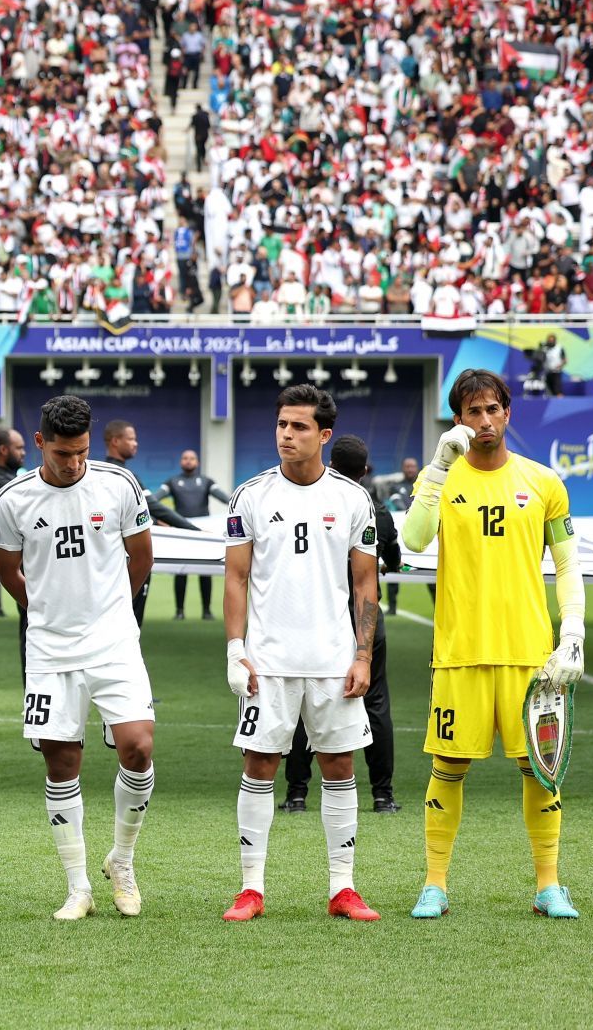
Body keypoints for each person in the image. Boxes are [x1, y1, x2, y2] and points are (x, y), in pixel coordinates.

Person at [401, 370, 584, 920]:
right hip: (460, 652)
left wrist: (571, 628)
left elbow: (568, 563)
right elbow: (412, 540)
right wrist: (435, 469)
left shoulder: (545, 481)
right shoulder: (442, 478)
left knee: (540, 769)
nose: (484, 421)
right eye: (472, 412)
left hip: (530, 655)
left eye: (492, 410)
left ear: (508, 413)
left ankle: (549, 885)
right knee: (448, 766)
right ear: (458, 418)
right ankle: (435, 884)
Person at [219, 386, 382, 923]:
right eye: (282, 425)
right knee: (259, 764)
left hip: (333, 660)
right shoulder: (251, 495)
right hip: (267, 661)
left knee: (338, 766)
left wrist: (362, 657)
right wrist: (235, 649)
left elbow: (365, 584)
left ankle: (343, 888)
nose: (287, 435)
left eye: (300, 427)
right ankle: (250, 888)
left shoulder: (353, 500)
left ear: (324, 435)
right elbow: (236, 577)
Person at [0, 395, 157, 920]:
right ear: (40, 443)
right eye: (64, 453)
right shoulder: (13, 499)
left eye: (82, 451)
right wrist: (44, 610)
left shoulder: (119, 485)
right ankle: (78, 885)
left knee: (139, 747)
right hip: (49, 647)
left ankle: (122, 862)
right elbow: (7, 567)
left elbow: (143, 554)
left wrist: (111, 611)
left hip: (113, 642)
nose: (74, 462)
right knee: (62, 762)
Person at [282, 434, 402, 815]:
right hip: (367, 619)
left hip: (323, 618)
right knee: (377, 703)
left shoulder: (313, 501)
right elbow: (395, 560)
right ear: (365, 471)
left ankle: (297, 793)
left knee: (304, 698)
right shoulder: (376, 509)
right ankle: (383, 795)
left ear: (331, 464)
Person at [103, 419, 196, 630]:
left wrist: (155, 523)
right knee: (130, 622)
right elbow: (155, 507)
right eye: (131, 439)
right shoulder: (124, 476)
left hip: (110, 562)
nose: (136, 443)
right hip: (129, 561)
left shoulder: (102, 471)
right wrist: (197, 532)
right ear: (116, 441)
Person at [160, 450, 231, 620]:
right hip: (181, 531)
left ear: (197, 462)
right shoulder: (172, 482)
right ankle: (179, 611)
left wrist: (240, 504)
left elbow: (225, 498)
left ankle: (206, 611)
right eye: (185, 458)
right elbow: (155, 499)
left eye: (192, 458)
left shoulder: (206, 482)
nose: (188, 461)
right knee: (180, 570)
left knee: (205, 570)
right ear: (181, 462)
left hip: (202, 532)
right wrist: (158, 518)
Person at [0, 428, 27, 620]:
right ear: (3, 450)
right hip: (17, 558)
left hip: (28, 559)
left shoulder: (11, 480)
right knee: (29, 622)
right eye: (19, 448)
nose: (23, 452)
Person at [384, 457, 419, 615]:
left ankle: (437, 606)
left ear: (417, 468)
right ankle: (392, 607)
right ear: (403, 468)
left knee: (428, 569)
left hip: (421, 535)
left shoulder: (424, 486)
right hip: (399, 534)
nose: (410, 469)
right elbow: (395, 504)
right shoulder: (395, 486)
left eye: (413, 466)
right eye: (407, 466)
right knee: (393, 565)